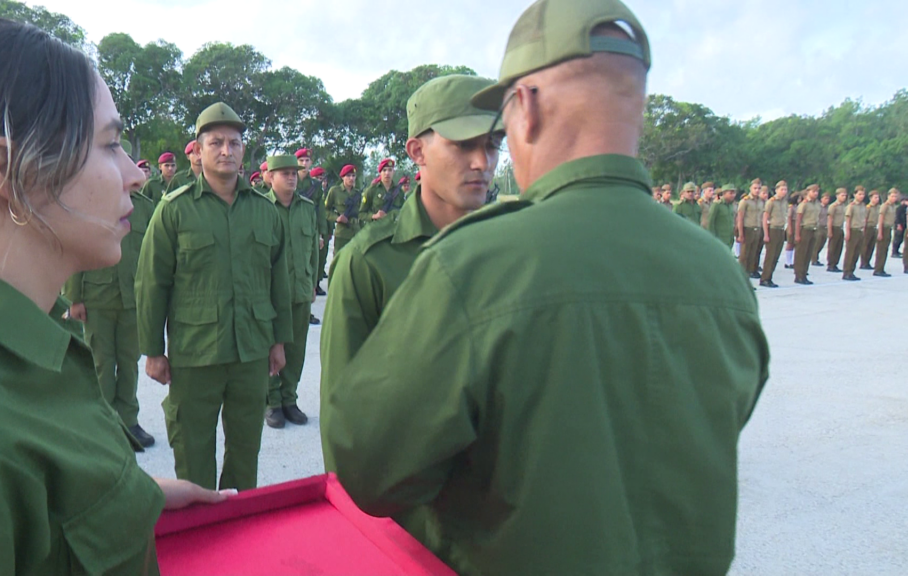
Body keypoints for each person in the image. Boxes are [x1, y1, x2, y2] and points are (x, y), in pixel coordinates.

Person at [324, 2, 769, 574]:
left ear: (526, 108)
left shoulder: (475, 266)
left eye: (496, 134)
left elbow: (370, 467)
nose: (484, 159)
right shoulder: (722, 274)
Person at [0, 15, 231, 573]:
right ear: (9, 170)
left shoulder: (28, 335)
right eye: (109, 145)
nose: (135, 174)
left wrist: (126, 499)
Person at [321, 74, 502, 472]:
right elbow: (343, 421)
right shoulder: (368, 263)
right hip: (411, 494)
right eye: (463, 144)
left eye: (492, 144)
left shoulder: (509, 254)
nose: (483, 162)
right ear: (418, 151)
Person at [135, 102, 293, 491]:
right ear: (199, 149)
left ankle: (239, 521)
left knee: (245, 450)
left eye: (234, 143)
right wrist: (153, 351)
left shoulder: (265, 212)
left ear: (244, 151)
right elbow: (152, 281)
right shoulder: (174, 210)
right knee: (193, 452)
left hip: (251, 351)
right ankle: (201, 520)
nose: (226, 150)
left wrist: (278, 341)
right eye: (216, 143)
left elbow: (279, 281)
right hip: (196, 353)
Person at [63, 163, 158, 448]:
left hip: (133, 298)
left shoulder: (145, 207)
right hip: (97, 297)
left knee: (129, 363)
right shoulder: (90, 202)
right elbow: (77, 249)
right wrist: (74, 298)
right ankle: (103, 424)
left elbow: (153, 255)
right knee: (101, 363)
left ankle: (129, 422)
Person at [262, 155, 318, 429]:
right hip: (270, 294)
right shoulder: (261, 208)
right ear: (271, 177)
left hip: (300, 290)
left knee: (296, 351)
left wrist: (312, 284)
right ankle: (272, 401)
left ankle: (289, 399)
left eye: (294, 173)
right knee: (271, 346)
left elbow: (313, 251)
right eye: (285, 173)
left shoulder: (307, 208)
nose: (292, 177)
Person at [295, 148, 328, 315]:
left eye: (307, 161)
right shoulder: (291, 180)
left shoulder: (315, 185)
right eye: (301, 161)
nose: (304, 163)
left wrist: (321, 234)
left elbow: (320, 211)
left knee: (310, 266)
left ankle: (307, 310)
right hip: (293, 226)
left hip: (310, 228)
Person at [324, 165, 361, 256]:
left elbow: (361, 213)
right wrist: (337, 218)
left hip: (356, 231)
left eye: (353, 175)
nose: (351, 178)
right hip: (342, 232)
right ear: (342, 177)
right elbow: (325, 210)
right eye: (348, 176)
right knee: (339, 258)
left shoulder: (357, 193)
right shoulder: (335, 191)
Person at [759, 180, 788, 287]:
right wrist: (766, 234)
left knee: (776, 256)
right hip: (773, 229)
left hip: (781, 229)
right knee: (770, 256)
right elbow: (765, 218)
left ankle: (769, 277)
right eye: (782, 189)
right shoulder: (771, 202)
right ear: (776, 190)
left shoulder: (784, 202)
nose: (784, 192)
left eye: (785, 189)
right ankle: (764, 278)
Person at [310, 166, 333, 292]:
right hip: (312, 227)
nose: (322, 182)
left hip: (323, 228)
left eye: (323, 180)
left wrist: (328, 230)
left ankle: (317, 282)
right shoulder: (311, 192)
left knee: (322, 257)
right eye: (318, 179)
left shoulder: (325, 193)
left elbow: (324, 214)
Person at [793, 184, 821, 284]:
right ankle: (798, 275)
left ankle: (804, 274)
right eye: (813, 191)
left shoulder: (817, 203)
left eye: (817, 191)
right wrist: (797, 234)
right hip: (804, 230)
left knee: (808, 253)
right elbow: (798, 220)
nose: (815, 193)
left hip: (813, 229)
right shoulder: (804, 204)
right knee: (801, 254)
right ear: (808, 192)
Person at [737, 179, 763, 278]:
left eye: (759, 188)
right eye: (755, 188)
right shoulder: (745, 201)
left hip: (757, 228)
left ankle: (750, 271)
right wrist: (740, 233)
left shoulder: (761, 201)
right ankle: (741, 273)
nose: (757, 190)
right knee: (745, 254)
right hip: (747, 228)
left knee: (753, 253)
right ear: (750, 188)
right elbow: (740, 218)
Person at [874, 188, 901, 277]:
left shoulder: (893, 206)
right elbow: (881, 219)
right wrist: (880, 232)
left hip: (889, 229)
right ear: (888, 196)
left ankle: (881, 268)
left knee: (885, 249)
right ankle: (878, 269)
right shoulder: (885, 206)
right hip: (884, 228)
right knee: (881, 250)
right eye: (892, 196)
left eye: (895, 196)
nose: (894, 198)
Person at [843, 186, 868, 281]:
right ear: (854, 195)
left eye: (863, 194)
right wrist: (848, 233)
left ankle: (852, 271)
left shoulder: (863, 206)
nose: (861, 196)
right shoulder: (851, 206)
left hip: (860, 230)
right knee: (850, 252)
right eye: (859, 194)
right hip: (853, 230)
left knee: (856, 252)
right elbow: (848, 220)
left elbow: (864, 219)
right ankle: (846, 272)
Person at [826, 188, 848, 272]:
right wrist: (829, 231)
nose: (844, 197)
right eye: (842, 195)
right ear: (837, 196)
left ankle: (835, 263)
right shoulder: (833, 206)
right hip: (834, 227)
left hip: (840, 228)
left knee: (839, 247)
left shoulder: (843, 206)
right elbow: (830, 219)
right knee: (833, 247)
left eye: (845, 195)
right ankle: (830, 264)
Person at [859, 190, 881, 269]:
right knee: (865, 245)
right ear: (870, 198)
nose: (877, 199)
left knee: (871, 246)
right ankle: (863, 262)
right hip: (868, 227)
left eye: (878, 197)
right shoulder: (868, 207)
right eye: (875, 197)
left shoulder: (878, 207)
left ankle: (868, 261)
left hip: (874, 227)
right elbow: (865, 218)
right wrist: (863, 228)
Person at [811, 192, 830, 266]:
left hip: (825, 227)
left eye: (828, 199)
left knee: (822, 243)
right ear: (821, 199)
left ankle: (816, 256)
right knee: (817, 243)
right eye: (825, 198)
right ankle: (814, 259)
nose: (827, 200)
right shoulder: (818, 207)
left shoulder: (828, 208)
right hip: (818, 227)